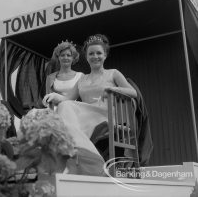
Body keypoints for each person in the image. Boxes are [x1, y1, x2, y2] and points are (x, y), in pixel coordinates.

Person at [43, 34, 137, 176]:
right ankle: (83, 157)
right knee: (64, 108)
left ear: (105, 55)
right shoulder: (82, 79)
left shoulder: (113, 73)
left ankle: (77, 158)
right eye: (91, 53)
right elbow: (68, 99)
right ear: (86, 57)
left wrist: (113, 89)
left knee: (66, 114)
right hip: (86, 116)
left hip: (106, 116)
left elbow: (133, 92)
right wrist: (54, 96)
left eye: (99, 53)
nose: (95, 56)